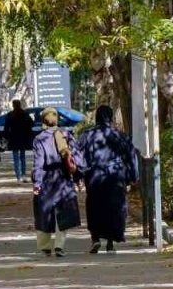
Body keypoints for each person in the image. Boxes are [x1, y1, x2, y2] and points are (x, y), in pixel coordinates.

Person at [77, 104, 137, 253]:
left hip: (95, 176)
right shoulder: (120, 135)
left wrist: (78, 175)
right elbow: (131, 156)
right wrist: (132, 176)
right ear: (111, 117)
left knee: (95, 208)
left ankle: (95, 238)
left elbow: (78, 156)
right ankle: (110, 242)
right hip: (116, 176)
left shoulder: (87, 135)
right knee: (114, 208)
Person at [31, 107, 81, 257]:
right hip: (64, 178)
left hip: (47, 179)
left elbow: (39, 163)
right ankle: (59, 246)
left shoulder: (39, 139)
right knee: (63, 212)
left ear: (43, 120)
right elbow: (76, 157)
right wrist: (78, 177)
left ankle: (45, 246)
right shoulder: (66, 134)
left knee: (44, 212)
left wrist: (37, 183)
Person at [2, 99, 35, 182]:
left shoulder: (10, 115)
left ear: (13, 105)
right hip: (23, 138)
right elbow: (31, 124)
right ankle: (23, 175)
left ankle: (18, 177)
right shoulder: (25, 114)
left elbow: (6, 128)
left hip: (14, 138)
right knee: (23, 157)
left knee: (16, 158)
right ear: (20, 105)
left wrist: (7, 137)